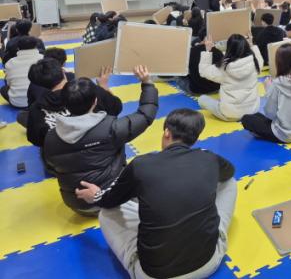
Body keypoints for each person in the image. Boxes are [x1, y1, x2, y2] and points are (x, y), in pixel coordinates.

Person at [75, 109, 237, 279]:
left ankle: (132, 260)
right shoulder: (210, 158)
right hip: (208, 263)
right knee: (229, 182)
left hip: (154, 275)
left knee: (106, 214)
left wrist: (95, 195)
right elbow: (230, 172)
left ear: (166, 132)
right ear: (195, 138)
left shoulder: (141, 165)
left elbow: (108, 201)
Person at [43, 66, 158, 216]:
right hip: (109, 200)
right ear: (95, 101)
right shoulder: (111, 128)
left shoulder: (51, 136)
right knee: (147, 168)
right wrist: (147, 82)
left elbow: (51, 165)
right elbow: (146, 115)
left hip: (76, 205)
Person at [25, 60, 122, 148]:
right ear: (63, 71)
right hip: (99, 149)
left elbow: (36, 140)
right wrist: (103, 86)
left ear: (39, 84)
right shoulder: (90, 91)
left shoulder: (35, 109)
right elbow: (116, 108)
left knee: (25, 118)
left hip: (59, 158)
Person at [242, 44, 291, 143]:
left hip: (286, 134)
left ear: (279, 62)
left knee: (246, 119)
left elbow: (270, 114)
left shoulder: (278, 83)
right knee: (256, 116)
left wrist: (268, 89)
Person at [197, 34, 260, 121]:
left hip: (230, 114)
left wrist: (208, 50)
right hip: (252, 110)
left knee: (202, 99)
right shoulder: (255, 61)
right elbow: (258, 57)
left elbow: (204, 71)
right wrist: (251, 44)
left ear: (229, 48)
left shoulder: (225, 67)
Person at [176, 27, 223, 95]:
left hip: (196, 90)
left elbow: (184, 71)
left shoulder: (191, 51)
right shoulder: (219, 52)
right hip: (216, 89)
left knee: (178, 76)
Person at [1, 36, 43, 108]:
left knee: (3, 88)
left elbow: (9, 83)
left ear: (18, 48)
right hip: (39, 100)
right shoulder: (43, 58)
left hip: (17, 102)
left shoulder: (10, 62)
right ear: (36, 46)